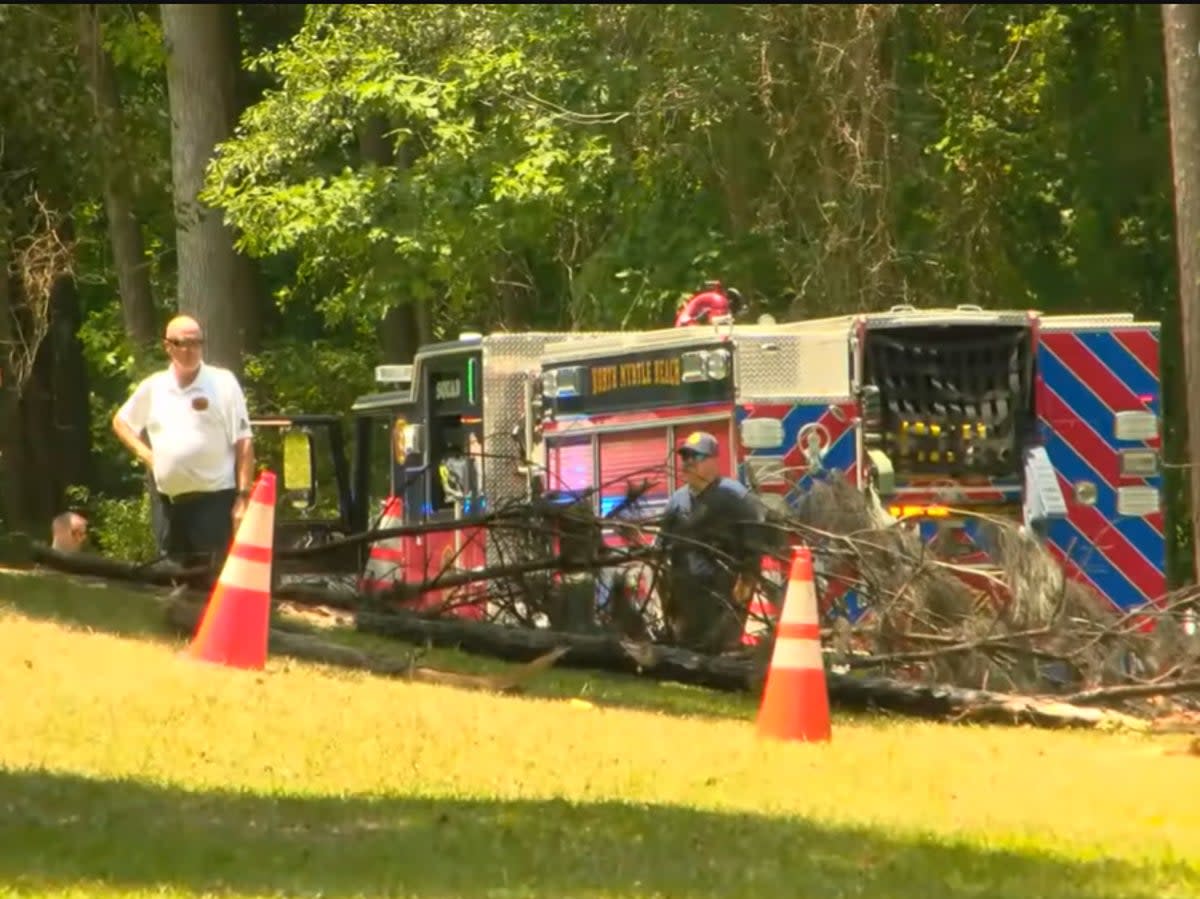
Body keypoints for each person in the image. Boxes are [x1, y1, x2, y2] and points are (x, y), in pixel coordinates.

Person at [111, 315, 255, 568]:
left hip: (214, 504)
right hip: (168, 506)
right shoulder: (154, 387)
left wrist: (243, 499)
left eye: (196, 343)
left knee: (211, 583)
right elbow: (121, 422)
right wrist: (148, 456)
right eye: (182, 343)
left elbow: (244, 443)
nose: (190, 350)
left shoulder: (223, 383)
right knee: (170, 580)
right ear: (168, 346)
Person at [655, 431, 766, 653]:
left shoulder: (734, 496)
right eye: (684, 458)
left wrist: (747, 579)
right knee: (689, 651)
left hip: (725, 590)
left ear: (714, 461)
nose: (687, 464)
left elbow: (755, 540)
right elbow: (661, 548)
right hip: (687, 592)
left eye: (695, 458)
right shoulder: (677, 501)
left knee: (723, 650)